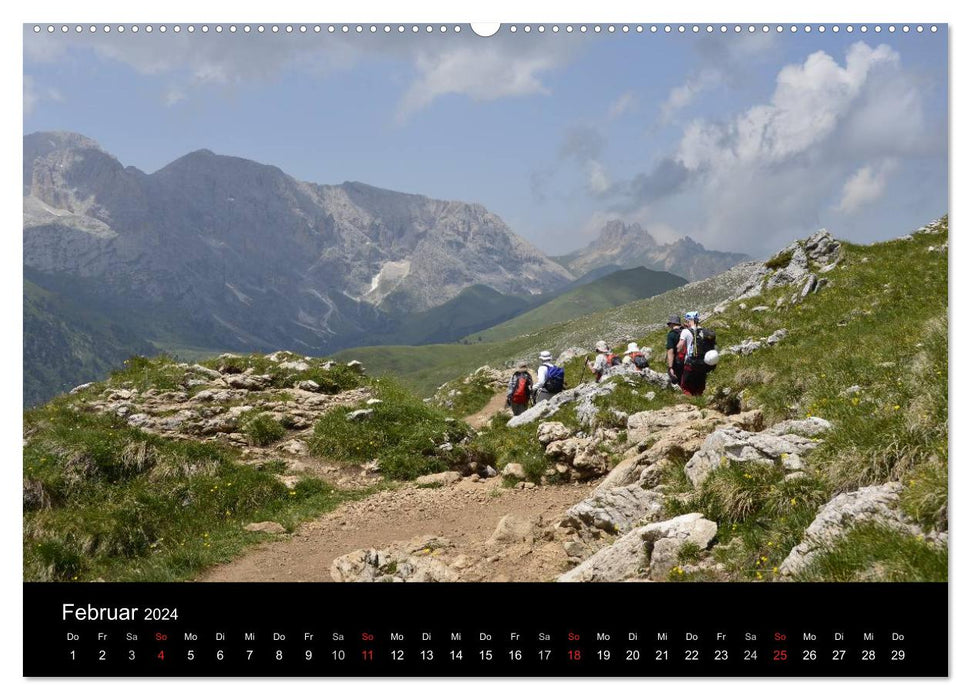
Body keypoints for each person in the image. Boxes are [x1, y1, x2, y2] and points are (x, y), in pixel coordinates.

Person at [677, 311, 708, 396]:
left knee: (686, 387)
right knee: (699, 387)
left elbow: (680, 347)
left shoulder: (685, 332)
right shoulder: (704, 331)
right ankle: (700, 404)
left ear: (689, 320)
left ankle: (690, 404)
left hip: (690, 363)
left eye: (687, 320)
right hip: (702, 363)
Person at [665, 315, 683, 385]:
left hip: (678, 362)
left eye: (669, 324)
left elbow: (670, 352)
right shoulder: (685, 331)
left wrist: (670, 367)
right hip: (689, 360)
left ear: (672, 324)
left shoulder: (671, 334)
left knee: (677, 380)